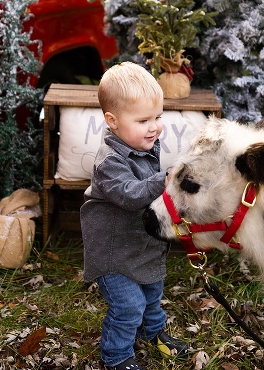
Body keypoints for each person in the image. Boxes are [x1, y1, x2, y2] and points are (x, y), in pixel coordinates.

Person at [80, 62, 190, 370]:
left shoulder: (143, 147)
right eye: (143, 120)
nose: (154, 126)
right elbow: (130, 195)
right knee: (128, 306)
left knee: (152, 293)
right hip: (113, 255)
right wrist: (162, 180)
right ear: (112, 121)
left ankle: (152, 333)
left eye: (157, 117)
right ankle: (116, 357)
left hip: (139, 247)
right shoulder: (109, 161)